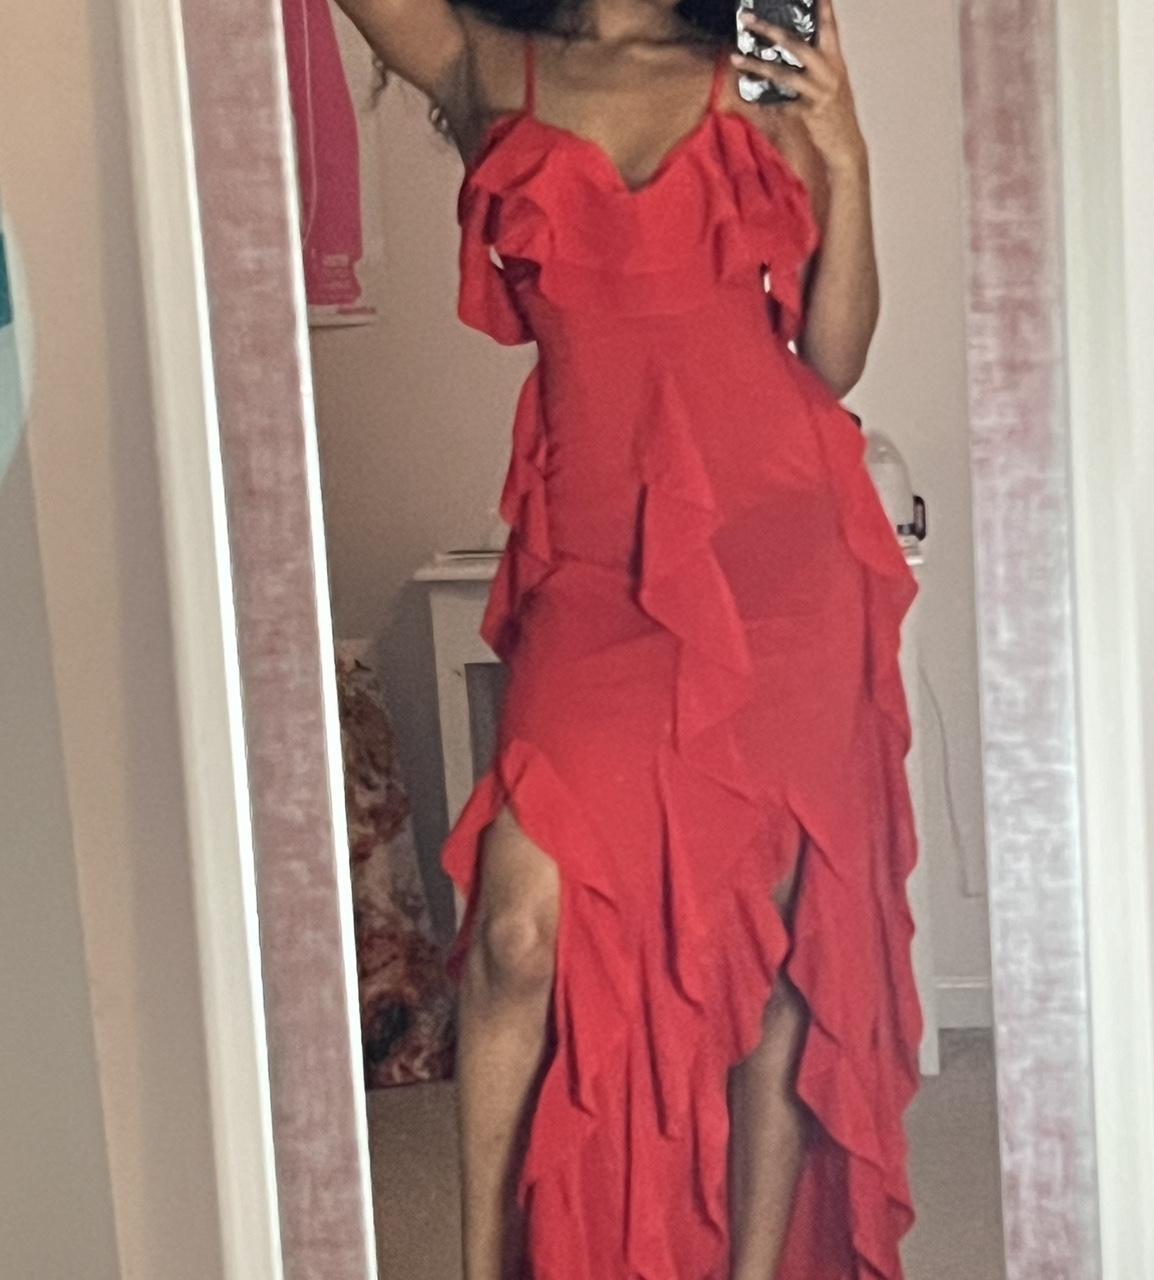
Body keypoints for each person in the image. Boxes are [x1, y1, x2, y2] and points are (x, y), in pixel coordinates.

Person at [333, 0, 922, 1274]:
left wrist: (846, 147)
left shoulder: (750, 72)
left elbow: (831, 357)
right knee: (516, 929)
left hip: (781, 552)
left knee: (776, 949)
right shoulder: (484, 60)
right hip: (598, 567)